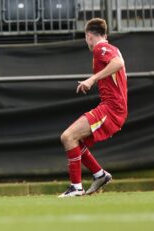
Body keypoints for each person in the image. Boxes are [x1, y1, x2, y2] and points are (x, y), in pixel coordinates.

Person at [59, 18, 127, 197]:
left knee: (68, 136)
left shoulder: (100, 48)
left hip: (112, 108)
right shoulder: (112, 48)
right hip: (112, 107)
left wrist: (92, 78)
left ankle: (76, 187)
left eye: (85, 36)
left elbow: (118, 63)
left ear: (89, 35)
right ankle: (99, 174)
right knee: (75, 139)